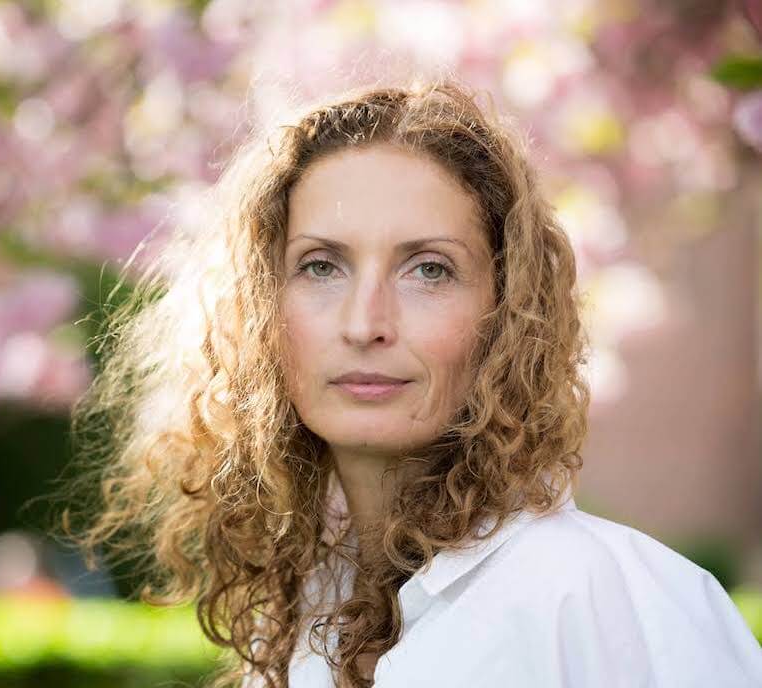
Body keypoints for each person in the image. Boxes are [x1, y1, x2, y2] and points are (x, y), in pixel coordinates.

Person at [61, 78, 762, 687]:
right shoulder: (299, 629)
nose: (366, 323)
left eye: (427, 269)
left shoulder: (601, 598)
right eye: (320, 266)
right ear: (263, 308)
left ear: (504, 312)